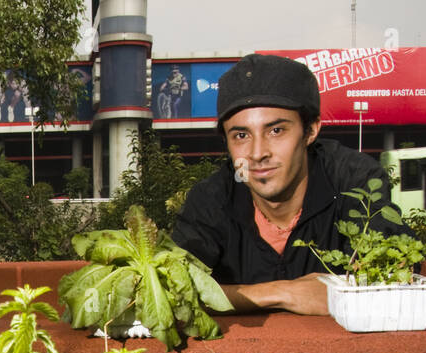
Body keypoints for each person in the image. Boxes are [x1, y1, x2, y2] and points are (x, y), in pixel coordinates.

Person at [172, 53, 411, 316]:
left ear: (310, 131)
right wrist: (282, 293)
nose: (257, 153)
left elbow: (396, 272)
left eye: (276, 131)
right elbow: (174, 289)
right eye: (241, 135)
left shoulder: (352, 178)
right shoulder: (212, 198)